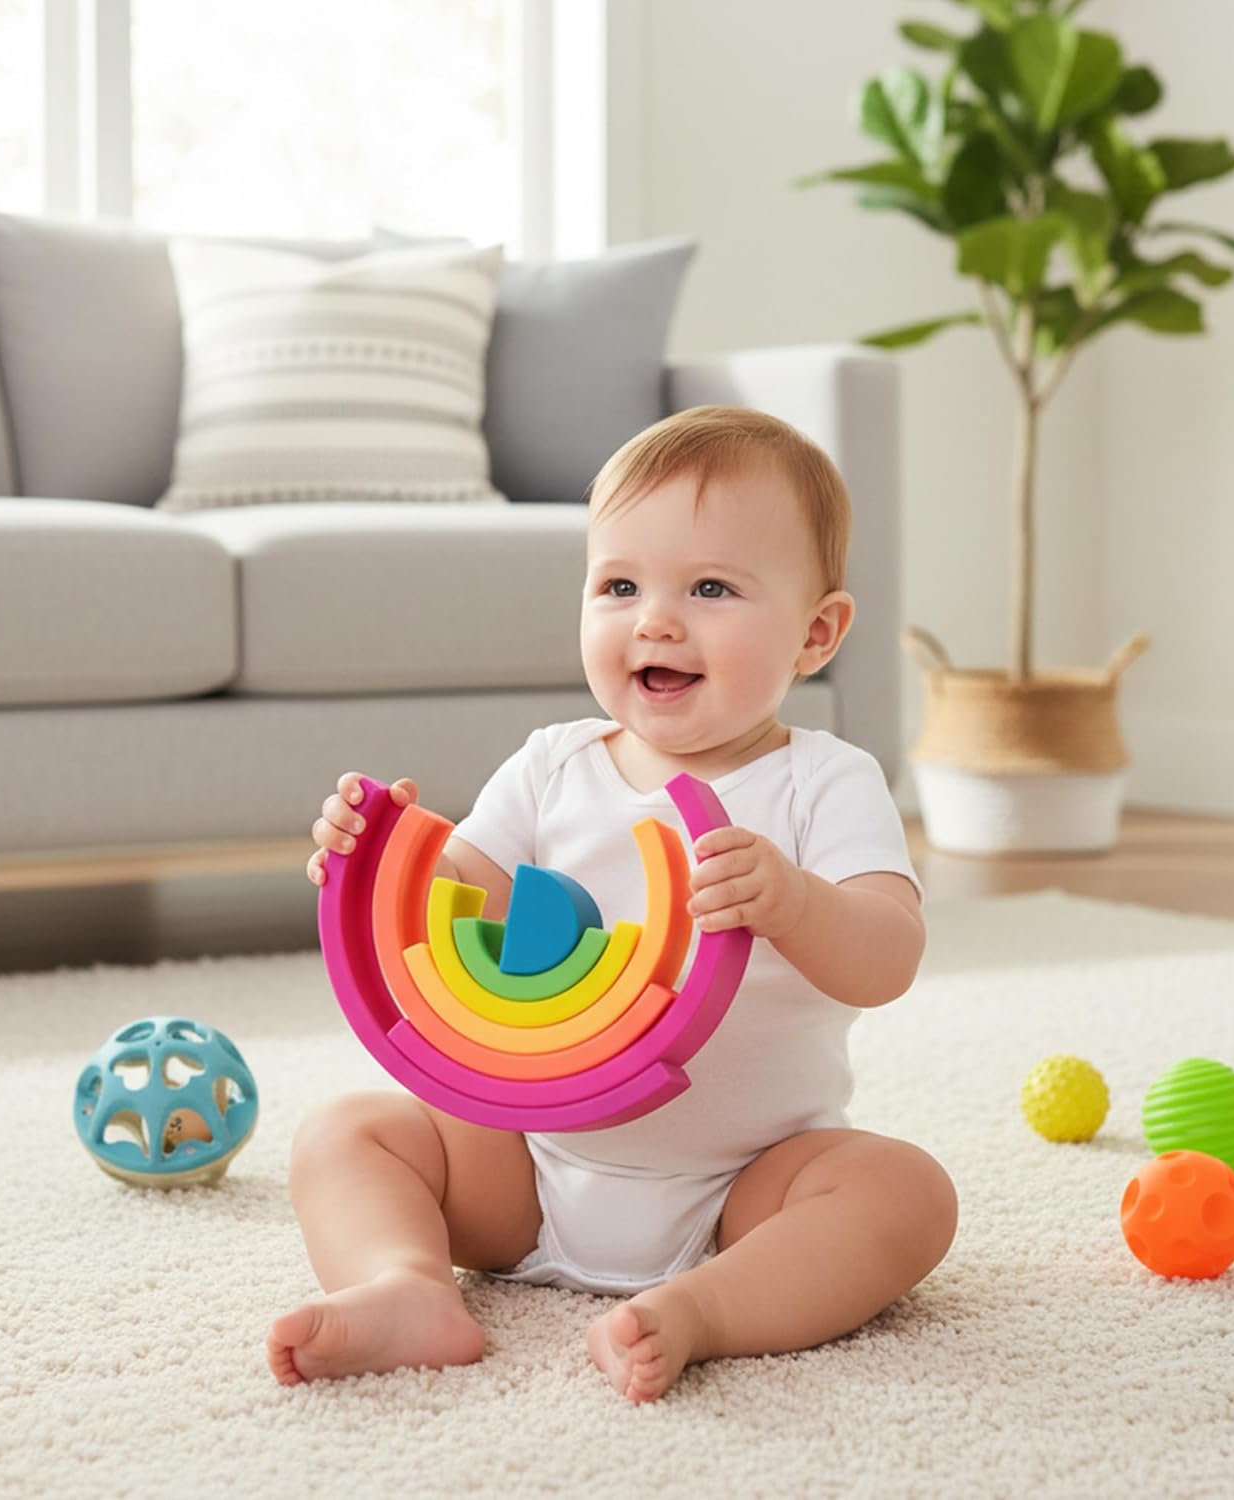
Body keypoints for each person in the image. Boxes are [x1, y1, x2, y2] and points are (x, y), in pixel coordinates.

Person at [265, 405, 957, 1403]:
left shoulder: (825, 781)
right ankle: (407, 1285)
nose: (656, 620)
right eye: (620, 585)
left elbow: (888, 956)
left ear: (817, 633)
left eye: (711, 587)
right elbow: (449, 910)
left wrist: (793, 901)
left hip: (743, 1186)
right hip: (529, 1164)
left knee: (905, 1195)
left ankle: (708, 1308)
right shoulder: (555, 764)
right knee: (347, 1131)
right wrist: (377, 864)